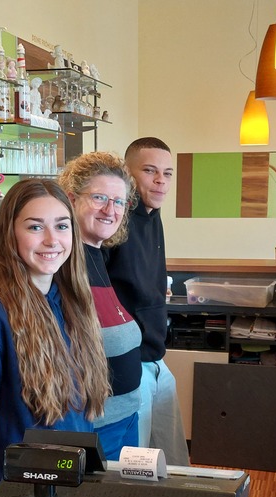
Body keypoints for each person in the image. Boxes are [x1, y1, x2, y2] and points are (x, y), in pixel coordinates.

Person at [0, 179, 111, 497]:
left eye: (61, 226)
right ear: (9, 235)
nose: (51, 240)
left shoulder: (70, 304)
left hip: (60, 496)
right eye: (34, 227)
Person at [104, 137, 189, 466]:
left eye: (168, 173)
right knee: (135, 465)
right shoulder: (116, 219)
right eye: (150, 171)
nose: (161, 181)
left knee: (173, 461)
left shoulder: (153, 216)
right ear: (127, 173)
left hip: (155, 357)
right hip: (128, 362)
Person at [59, 152, 143, 460]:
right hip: (93, 428)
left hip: (124, 417)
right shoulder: (63, 264)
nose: (111, 210)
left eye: (119, 201)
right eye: (99, 198)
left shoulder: (95, 256)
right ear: (71, 199)